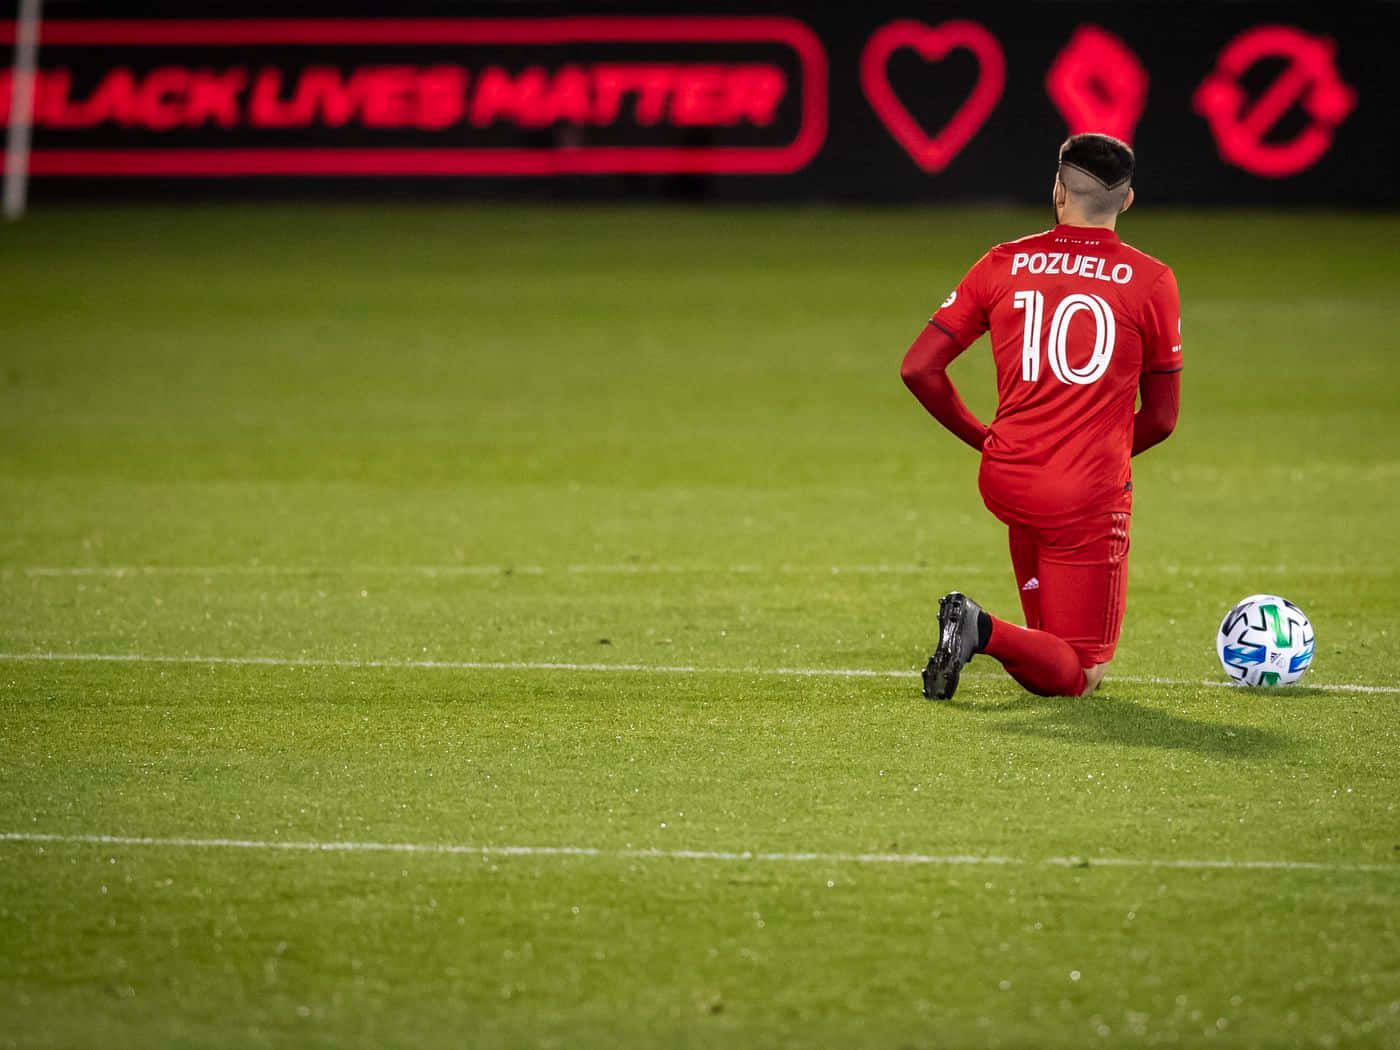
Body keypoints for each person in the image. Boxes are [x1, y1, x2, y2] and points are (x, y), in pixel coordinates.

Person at [900, 133, 1181, 700]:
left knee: (1049, 642)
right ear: (1126, 201)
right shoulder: (1151, 281)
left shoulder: (1002, 263)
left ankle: (992, 634)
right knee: (1081, 675)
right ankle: (981, 628)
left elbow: (918, 369)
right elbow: (1162, 419)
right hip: (1081, 495)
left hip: (1008, 479)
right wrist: (1095, 458)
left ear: (1058, 190)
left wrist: (986, 440)